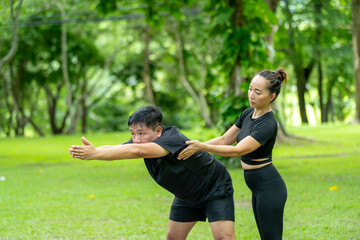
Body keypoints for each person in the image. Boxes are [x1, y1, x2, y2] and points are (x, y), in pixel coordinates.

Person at [69, 106, 235, 240]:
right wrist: (93, 151)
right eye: (133, 134)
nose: (136, 139)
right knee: (173, 238)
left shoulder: (172, 139)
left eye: (141, 133)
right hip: (187, 194)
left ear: (158, 131)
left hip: (214, 188)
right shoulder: (140, 142)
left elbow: (138, 151)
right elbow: (118, 148)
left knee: (223, 237)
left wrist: (95, 154)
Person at [178, 68, 288, 240]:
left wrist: (202, 148)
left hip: (269, 187)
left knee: (271, 237)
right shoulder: (247, 114)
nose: (251, 95)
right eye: (250, 89)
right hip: (257, 187)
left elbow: (238, 150)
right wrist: (194, 146)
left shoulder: (268, 124)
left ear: (271, 96)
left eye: (258, 92)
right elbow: (224, 139)